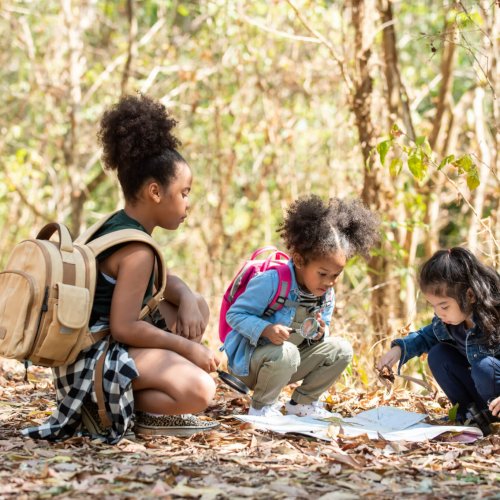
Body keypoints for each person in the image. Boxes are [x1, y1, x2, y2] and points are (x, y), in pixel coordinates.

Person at [22, 94, 220, 442]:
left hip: (90, 352)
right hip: (89, 366)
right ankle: (105, 410)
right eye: (185, 192)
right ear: (155, 192)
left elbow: (156, 285)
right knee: (200, 391)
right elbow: (124, 326)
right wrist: (185, 347)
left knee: (197, 306)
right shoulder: (137, 249)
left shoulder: (116, 224)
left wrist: (188, 296)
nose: (189, 203)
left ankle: (137, 392)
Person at [222, 195, 380, 417]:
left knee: (341, 349)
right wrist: (265, 329)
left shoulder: (326, 294)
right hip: (250, 364)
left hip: (287, 362)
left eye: (336, 275)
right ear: (298, 260)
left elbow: (322, 327)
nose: (330, 282)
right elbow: (235, 314)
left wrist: (320, 333)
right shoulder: (271, 282)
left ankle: (302, 404)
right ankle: (261, 408)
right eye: (323, 274)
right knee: (286, 353)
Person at [377, 247, 500, 423]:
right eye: (433, 306)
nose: (439, 313)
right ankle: (470, 415)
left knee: (484, 367)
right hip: (484, 400)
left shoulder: (496, 318)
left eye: (444, 306)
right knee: (439, 354)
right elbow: (424, 337)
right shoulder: (447, 323)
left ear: (470, 295)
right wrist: (398, 350)